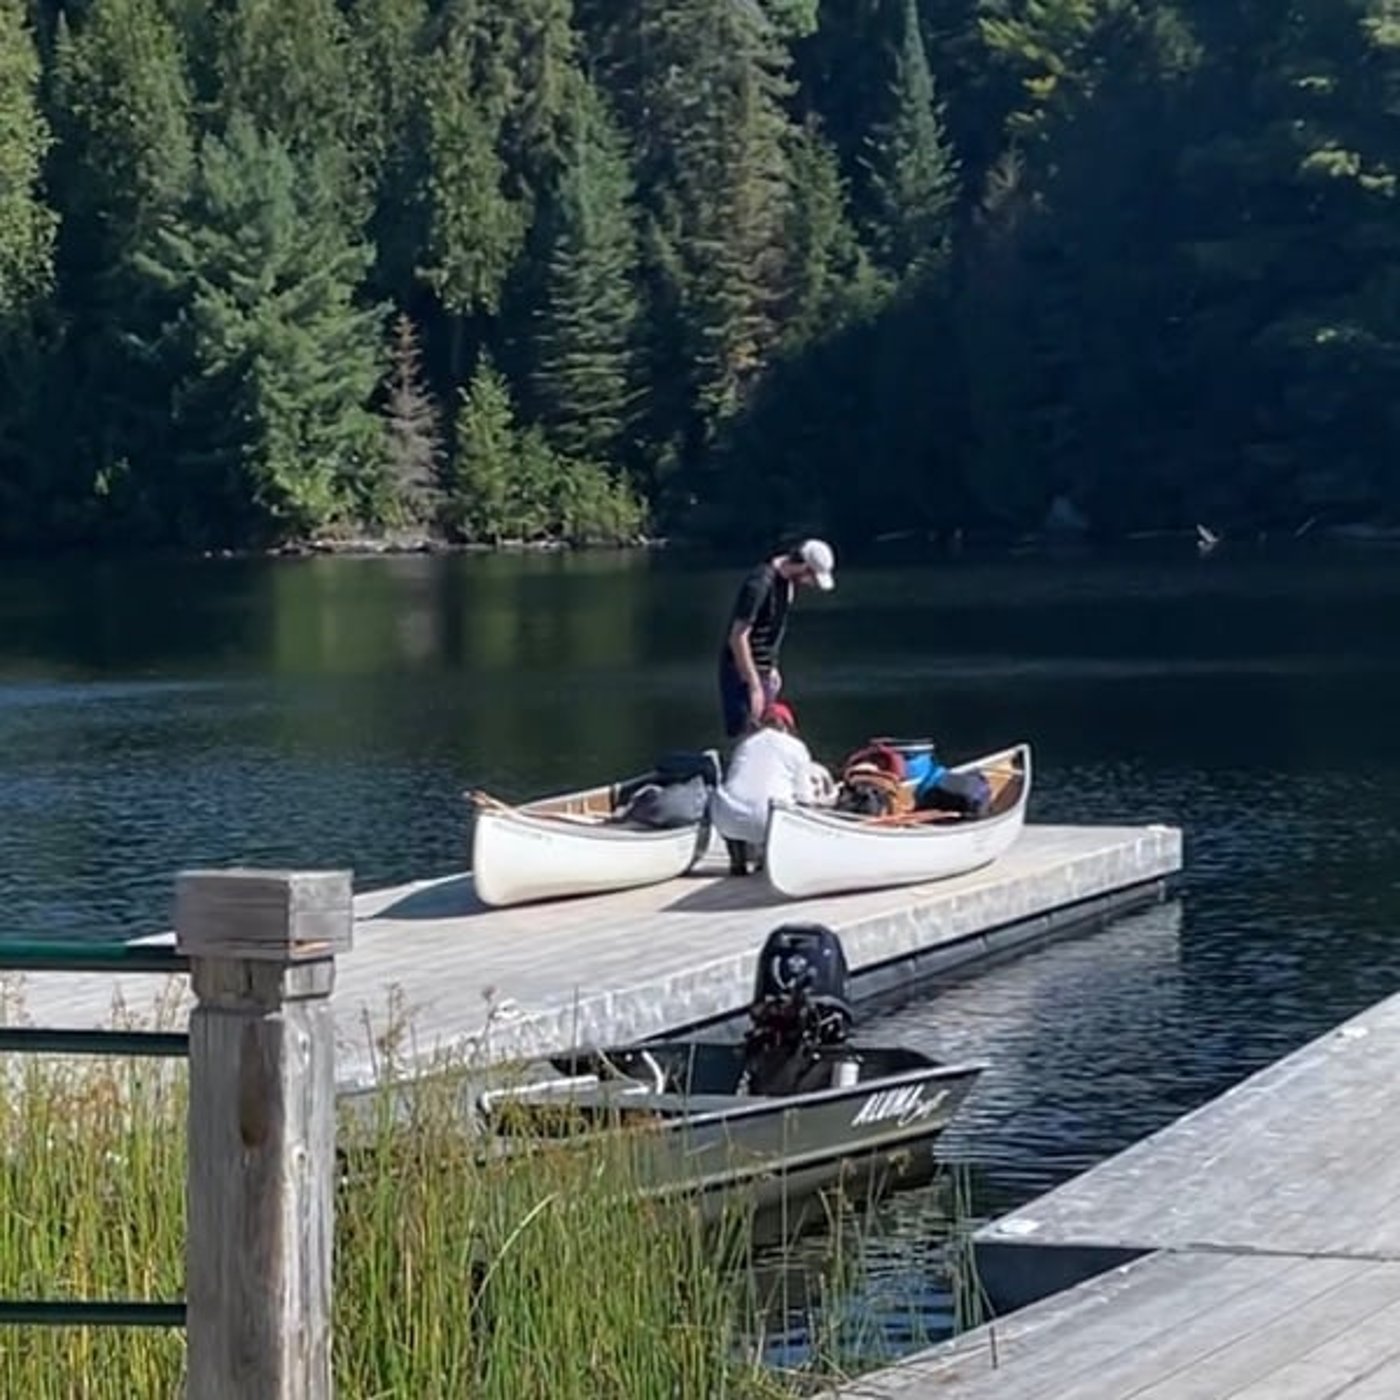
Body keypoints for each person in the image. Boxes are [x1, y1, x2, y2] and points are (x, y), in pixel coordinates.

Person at [717, 539, 836, 741]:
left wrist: (771, 667)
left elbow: (773, 629)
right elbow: (738, 636)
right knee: (747, 735)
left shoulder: (787, 586)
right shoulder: (760, 584)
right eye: (812, 578)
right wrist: (754, 684)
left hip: (763, 671)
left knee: (767, 735)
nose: (810, 584)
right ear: (803, 567)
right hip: (741, 672)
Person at [710, 701, 833, 875]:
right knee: (784, 806)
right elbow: (804, 795)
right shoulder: (796, 747)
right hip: (770, 821)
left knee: (735, 800)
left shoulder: (744, 745)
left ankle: (738, 860)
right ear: (788, 726)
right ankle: (768, 857)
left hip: (727, 818)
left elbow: (732, 778)